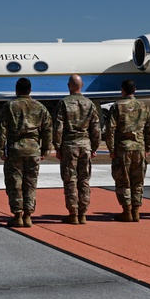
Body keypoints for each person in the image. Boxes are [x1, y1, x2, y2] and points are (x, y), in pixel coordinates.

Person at [0, 77, 52, 228]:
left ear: (17, 90)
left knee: (15, 183)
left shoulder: (10, 106)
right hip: (33, 149)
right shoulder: (40, 107)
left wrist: (0, 150)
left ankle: (18, 214)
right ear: (30, 90)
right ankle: (28, 215)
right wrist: (46, 149)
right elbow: (47, 130)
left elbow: (2, 129)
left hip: (15, 149)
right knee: (31, 183)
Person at [104, 79, 150, 222]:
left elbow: (110, 129)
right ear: (135, 90)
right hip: (139, 148)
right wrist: (147, 147)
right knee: (138, 181)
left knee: (123, 180)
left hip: (123, 149)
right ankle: (136, 210)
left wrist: (111, 148)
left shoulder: (117, 106)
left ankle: (127, 211)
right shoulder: (144, 106)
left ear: (123, 91)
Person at [53, 75, 101, 224]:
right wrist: (94, 147)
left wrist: (57, 146)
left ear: (69, 86)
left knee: (70, 180)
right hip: (85, 145)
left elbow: (58, 128)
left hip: (69, 145)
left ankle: (73, 213)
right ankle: (83, 213)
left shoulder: (63, 103)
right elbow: (96, 128)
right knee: (84, 180)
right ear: (82, 85)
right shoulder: (90, 104)